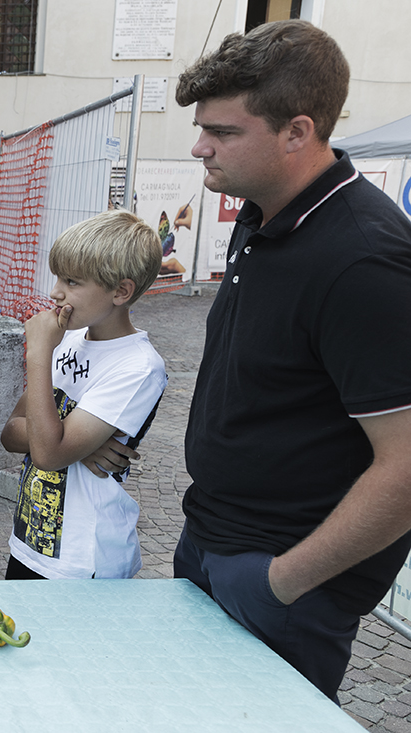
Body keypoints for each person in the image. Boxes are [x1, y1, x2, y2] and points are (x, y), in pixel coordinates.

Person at [173, 19, 411, 702]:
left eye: (222, 132)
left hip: (285, 587)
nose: (200, 147)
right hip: (209, 543)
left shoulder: (365, 258)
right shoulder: (261, 212)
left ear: (297, 132)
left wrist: (284, 579)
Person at [0, 209, 166, 580]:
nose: (56, 292)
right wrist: (78, 442)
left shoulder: (138, 366)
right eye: (58, 276)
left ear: (121, 291)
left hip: (83, 560)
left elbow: (47, 454)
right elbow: (11, 432)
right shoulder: (70, 339)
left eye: (73, 281)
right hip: (31, 542)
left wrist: (39, 353)